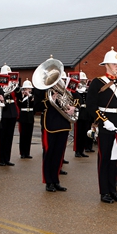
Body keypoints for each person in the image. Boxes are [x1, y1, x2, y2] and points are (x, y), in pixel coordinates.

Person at [86, 48, 117, 203]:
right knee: (105, 158)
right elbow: (91, 105)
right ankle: (104, 192)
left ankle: (113, 190)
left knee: (115, 159)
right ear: (106, 64)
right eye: (114, 64)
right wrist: (103, 121)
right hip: (106, 125)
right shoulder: (97, 82)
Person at [34, 58, 76, 192]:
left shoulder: (63, 87)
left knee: (59, 154)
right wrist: (50, 100)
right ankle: (48, 182)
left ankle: (56, 180)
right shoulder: (41, 89)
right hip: (50, 125)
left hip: (63, 123)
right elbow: (36, 106)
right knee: (49, 153)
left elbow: (75, 100)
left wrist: (72, 108)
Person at [0, 64, 18, 167]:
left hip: (12, 111)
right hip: (3, 111)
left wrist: (16, 86)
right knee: (2, 136)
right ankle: (1, 159)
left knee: (9, 137)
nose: (8, 77)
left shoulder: (12, 84)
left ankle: (7, 158)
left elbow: (18, 95)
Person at [73, 72, 93, 158]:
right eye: (81, 81)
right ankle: (77, 150)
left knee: (85, 133)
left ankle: (82, 150)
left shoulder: (86, 91)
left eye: (84, 80)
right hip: (79, 113)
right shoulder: (75, 92)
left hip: (86, 113)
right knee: (78, 134)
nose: (83, 82)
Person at [17, 79, 35, 159]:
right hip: (23, 116)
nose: (29, 90)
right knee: (23, 135)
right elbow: (19, 104)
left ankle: (27, 152)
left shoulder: (32, 96)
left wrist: (29, 95)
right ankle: (22, 153)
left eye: (30, 88)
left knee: (29, 135)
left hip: (30, 116)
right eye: (27, 88)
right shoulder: (21, 96)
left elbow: (34, 104)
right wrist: (23, 96)